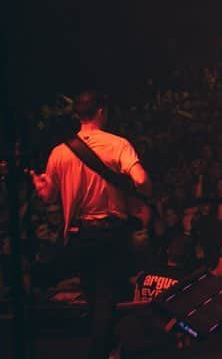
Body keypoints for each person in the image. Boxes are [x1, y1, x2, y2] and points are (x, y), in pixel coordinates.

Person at [29, 91, 152, 359]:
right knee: (106, 296)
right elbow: (141, 180)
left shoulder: (60, 152)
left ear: (77, 116)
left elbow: (48, 196)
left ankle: (101, 349)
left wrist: (41, 188)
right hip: (110, 232)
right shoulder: (118, 144)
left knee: (94, 295)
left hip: (80, 233)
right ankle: (101, 352)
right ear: (101, 112)